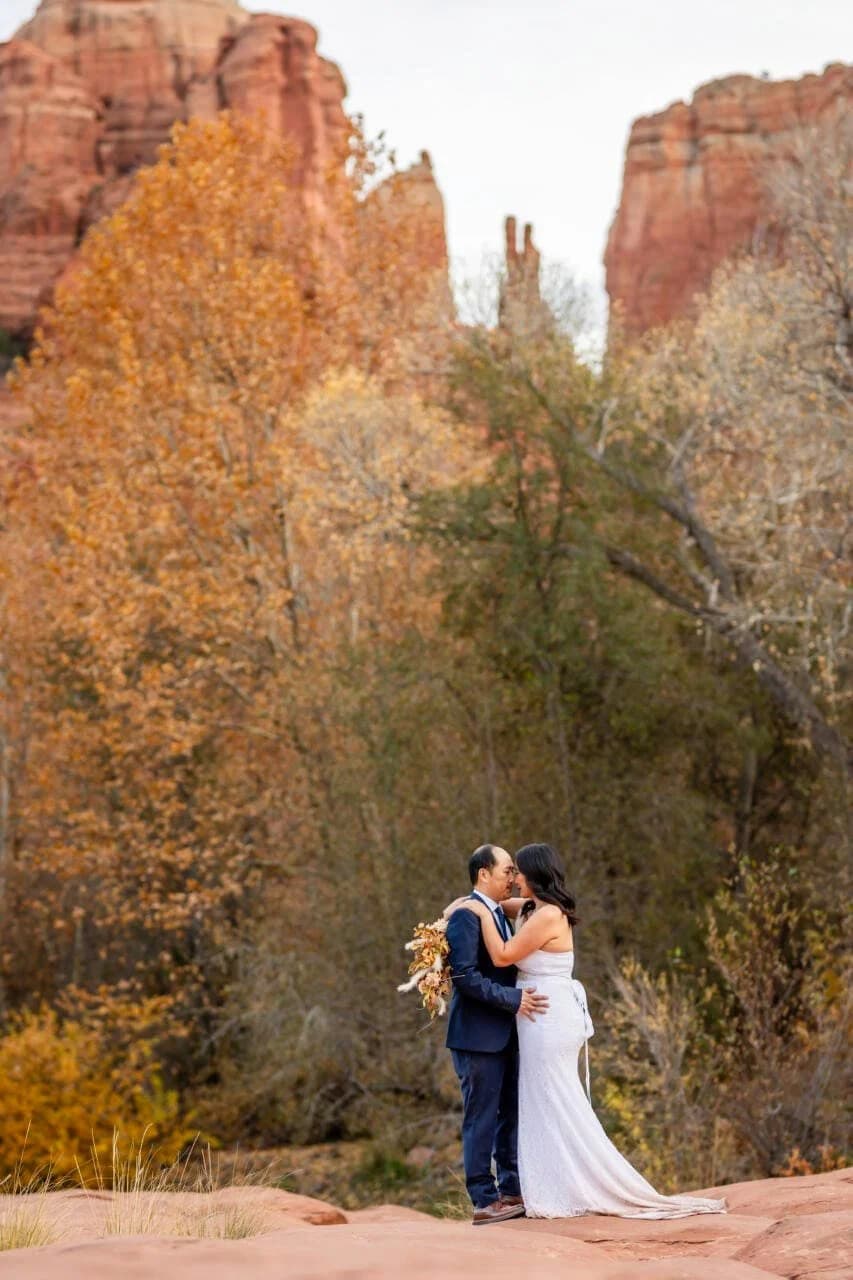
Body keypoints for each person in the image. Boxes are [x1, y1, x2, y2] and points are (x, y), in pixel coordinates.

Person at [453, 842, 727, 1220]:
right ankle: (540, 1185)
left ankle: (579, 1182)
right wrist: (467, 905)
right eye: (509, 872)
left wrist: (478, 910)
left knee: (556, 1098)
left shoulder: (548, 915)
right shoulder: (532, 908)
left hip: (547, 1018)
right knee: (541, 1101)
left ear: (534, 875)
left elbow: (501, 954)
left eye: (519, 872)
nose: (514, 879)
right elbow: (497, 907)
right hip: (535, 1019)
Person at [444, 843, 549, 1225]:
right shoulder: (466, 916)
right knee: (481, 1119)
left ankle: (511, 1191)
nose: (513, 878)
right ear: (483, 874)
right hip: (477, 1037)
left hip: (506, 1035)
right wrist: (513, 999)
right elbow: (465, 977)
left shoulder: (498, 912)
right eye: (507, 871)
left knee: (510, 1116)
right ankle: (484, 1201)